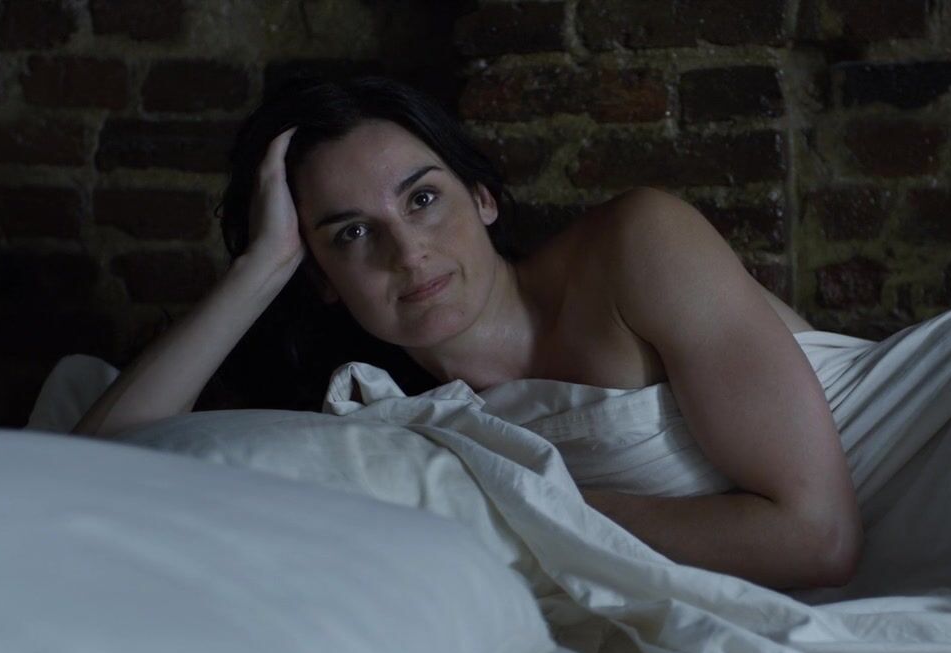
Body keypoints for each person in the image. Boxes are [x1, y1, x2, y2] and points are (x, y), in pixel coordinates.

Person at [73, 75, 862, 591]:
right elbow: (90, 468)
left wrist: (520, 507)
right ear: (320, 276)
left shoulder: (637, 248)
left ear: (483, 198)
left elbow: (818, 539)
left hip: (918, 464)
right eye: (351, 233)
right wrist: (261, 266)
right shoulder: (396, 424)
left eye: (422, 199)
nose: (407, 252)